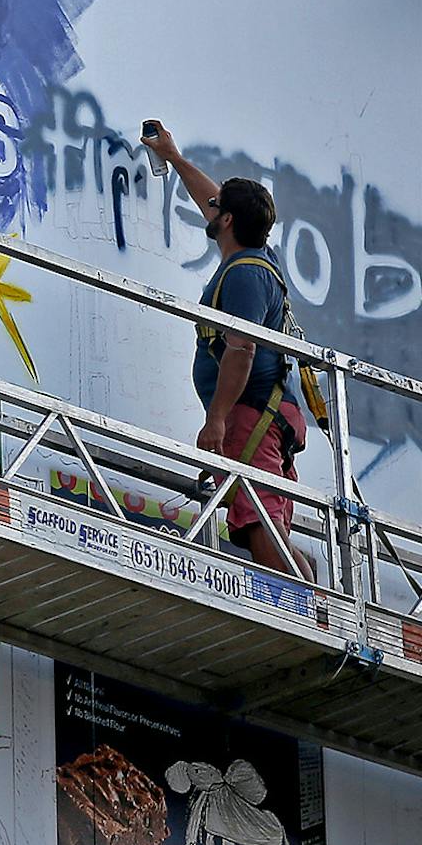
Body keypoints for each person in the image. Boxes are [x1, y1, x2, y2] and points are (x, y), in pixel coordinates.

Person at [141, 121, 316, 577]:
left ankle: (307, 607)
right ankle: (307, 583)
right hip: (264, 412)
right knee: (265, 522)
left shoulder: (243, 276)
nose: (208, 208)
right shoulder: (256, 258)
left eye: (216, 207)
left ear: (229, 220)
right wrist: (176, 160)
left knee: (259, 526)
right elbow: (214, 198)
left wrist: (216, 417)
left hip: (249, 414)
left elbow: (241, 351)